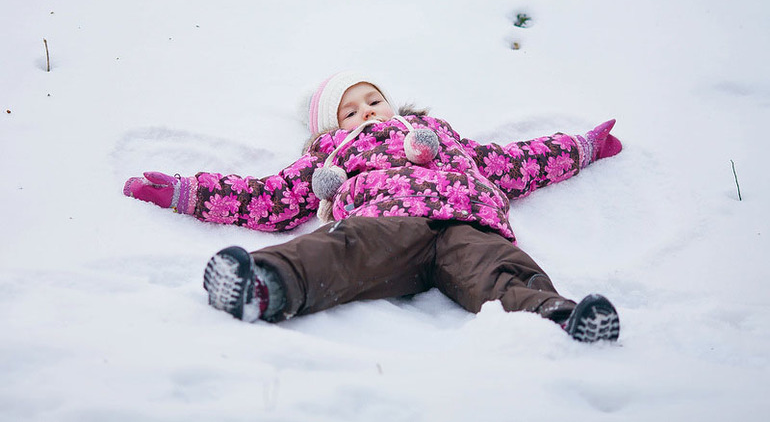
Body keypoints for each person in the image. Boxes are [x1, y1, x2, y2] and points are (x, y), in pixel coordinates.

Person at [124, 71, 623, 342]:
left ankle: (556, 316)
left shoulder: (442, 139)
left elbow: (516, 162)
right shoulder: (335, 156)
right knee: (340, 249)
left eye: (373, 98)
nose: (367, 110)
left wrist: (582, 147)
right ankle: (262, 283)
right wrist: (184, 193)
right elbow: (268, 198)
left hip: (467, 225)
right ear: (332, 127)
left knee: (500, 269)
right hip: (385, 224)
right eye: (350, 108)